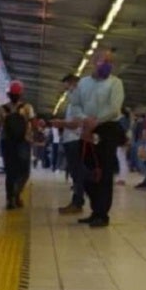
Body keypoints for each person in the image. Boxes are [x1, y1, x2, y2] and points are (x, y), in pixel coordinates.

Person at [56, 49, 125, 228]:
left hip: (106, 129)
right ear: (94, 62)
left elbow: (115, 108)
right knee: (86, 171)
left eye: (110, 62)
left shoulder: (115, 83)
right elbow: (75, 104)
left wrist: (96, 121)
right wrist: (84, 120)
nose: (107, 65)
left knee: (104, 172)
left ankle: (102, 214)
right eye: (104, 61)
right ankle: (95, 208)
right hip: (86, 128)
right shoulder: (83, 83)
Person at [0, 80, 35, 209]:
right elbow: (33, 124)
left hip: (6, 142)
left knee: (10, 172)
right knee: (24, 171)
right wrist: (33, 137)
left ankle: (11, 199)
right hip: (23, 142)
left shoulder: (2, 109)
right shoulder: (27, 108)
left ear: (9, 94)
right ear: (21, 94)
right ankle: (16, 194)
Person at [55, 74, 85, 215]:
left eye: (67, 86)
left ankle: (77, 203)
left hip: (75, 140)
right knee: (75, 174)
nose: (66, 89)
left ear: (73, 84)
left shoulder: (79, 102)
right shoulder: (73, 102)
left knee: (77, 173)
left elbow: (76, 123)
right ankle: (77, 201)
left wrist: (61, 123)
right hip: (70, 140)